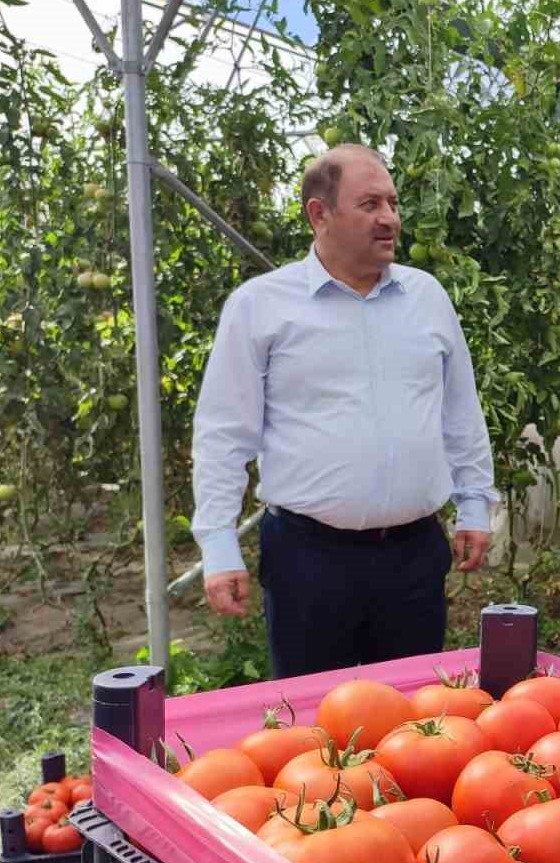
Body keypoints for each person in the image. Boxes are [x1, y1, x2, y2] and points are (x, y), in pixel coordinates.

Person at [191, 144, 497, 678]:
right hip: (309, 559)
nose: (390, 219)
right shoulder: (261, 306)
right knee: (313, 732)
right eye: (370, 204)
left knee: (415, 722)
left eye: (393, 204)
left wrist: (474, 504)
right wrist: (218, 545)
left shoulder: (426, 297)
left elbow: (459, 413)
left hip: (413, 556)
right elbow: (224, 435)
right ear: (319, 214)